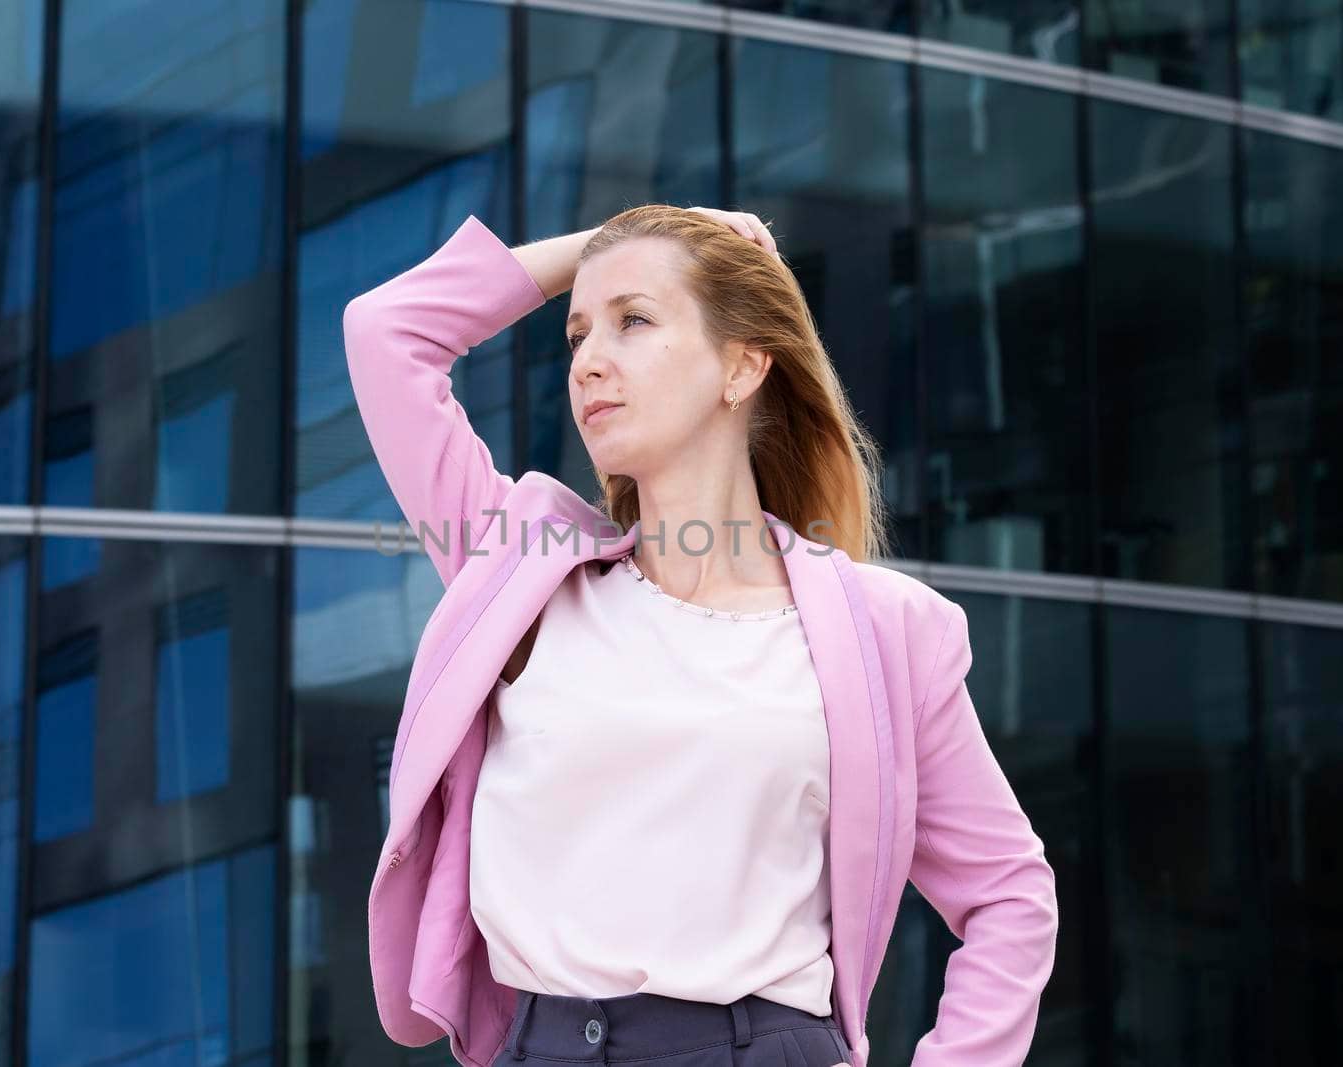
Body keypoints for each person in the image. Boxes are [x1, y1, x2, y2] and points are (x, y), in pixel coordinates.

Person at [346, 205, 1058, 1067]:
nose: (588, 363)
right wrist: (609, 246)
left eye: (634, 321)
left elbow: (1009, 894)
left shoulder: (881, 630)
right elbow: (387, 333)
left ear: (744, 365)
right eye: (577, 334)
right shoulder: (521, 572)